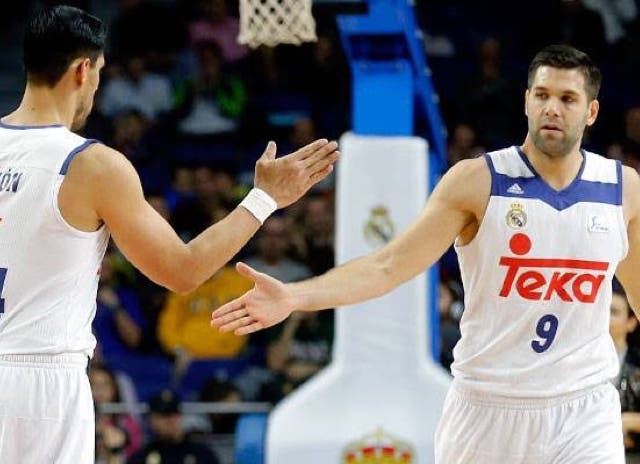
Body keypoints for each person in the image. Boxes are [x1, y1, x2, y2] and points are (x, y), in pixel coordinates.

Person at [213, 44, 640, 463]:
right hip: (488, 408)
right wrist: (293, 296)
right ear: (526, 102)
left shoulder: (625, 190)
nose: (552, 108)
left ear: (591, 112)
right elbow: (387, 266)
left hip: (584, 407)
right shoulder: (476, 181)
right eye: (542, 95)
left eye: (567, 99)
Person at [0, 5, 339, 463]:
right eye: (99, 74)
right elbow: (183, 271)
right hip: (39, 386)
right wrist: (264, 199)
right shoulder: (91, 165)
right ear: (83, 70)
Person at [128, 389, 220, 464]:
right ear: (152, 420)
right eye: (164, 416)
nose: (171, 421)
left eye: (175, 414)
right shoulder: (142, 457)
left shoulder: (202, 454)